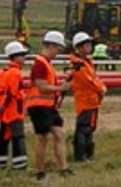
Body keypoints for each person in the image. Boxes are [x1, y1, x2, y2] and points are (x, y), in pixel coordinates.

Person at [27, 29, 69, 179]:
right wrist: (60, 88)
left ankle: (63, 168)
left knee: (59, 134)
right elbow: (42, 87)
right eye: (58, 49)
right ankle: (40, 171)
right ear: (51, 46)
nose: (58, 53)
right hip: (38, 106)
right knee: (43, 138)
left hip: (48, 106)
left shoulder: (46, 64)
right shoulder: (40, 64)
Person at [68, 32, 105, 164]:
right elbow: (89, 80)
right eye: (87, 45)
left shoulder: (85, 62)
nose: (90, 47)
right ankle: (81, 156)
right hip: (85, 100)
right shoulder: (79, 64)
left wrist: (100, 88)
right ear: (79, 47)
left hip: (91, 99)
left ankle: (87, 155)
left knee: (88, 128)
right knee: (83, 128)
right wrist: (101, 89)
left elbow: (93, 77)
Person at [0, 41, 29, 170]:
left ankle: (1, 162)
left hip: (5, 111)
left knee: (3, 138)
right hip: (14, 110)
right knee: (18, 137)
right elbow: (15, 93)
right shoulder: (15, 73)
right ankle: (20, 164)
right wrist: (24, 98)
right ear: (15, 56)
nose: (24, 58)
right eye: (22, 55)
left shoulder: (4, 71)